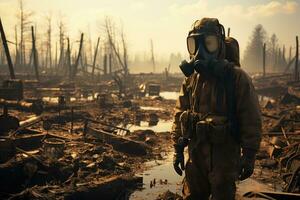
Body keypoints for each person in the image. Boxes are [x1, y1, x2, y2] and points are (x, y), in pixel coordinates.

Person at [172, 18, 262, 200]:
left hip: (225, 157)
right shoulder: (191, 80)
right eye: (194, 45)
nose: (200, 52)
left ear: (219, 46)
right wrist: (177, 149)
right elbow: (179, 113)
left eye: (208, 44)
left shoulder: (236, 78)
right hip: (195, 155)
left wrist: (249, 155)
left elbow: (250, 117)